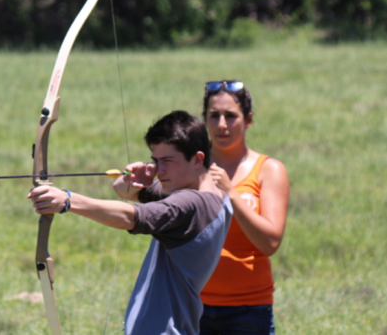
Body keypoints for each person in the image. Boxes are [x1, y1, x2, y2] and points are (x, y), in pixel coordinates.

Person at [28, 110, 233, 335]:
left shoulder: (191, 203)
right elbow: (124, 191)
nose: (158, 170)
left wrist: (68, 200)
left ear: (197, 159)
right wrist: (136, 181)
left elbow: (131, 216)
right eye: (155, 160)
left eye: (167, 161)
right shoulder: (214, 197)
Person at [114, 81, 290, 334]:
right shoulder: (185, 166)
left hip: (248, 307)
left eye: (231, 116)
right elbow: (136, 195)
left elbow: (270, 243)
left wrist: (231, 194)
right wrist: (140, 176)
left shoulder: (269, 170)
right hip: (193, 302)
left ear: (248, 119)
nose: (221, 125)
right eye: (213, 116)